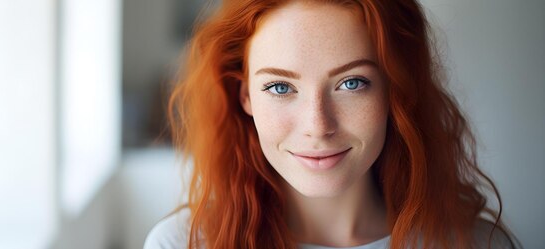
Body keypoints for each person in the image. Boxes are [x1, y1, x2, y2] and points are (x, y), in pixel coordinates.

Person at [145, 0, 520, 248]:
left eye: (351, 83)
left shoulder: (474, 243)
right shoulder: (181, 244)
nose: (317, 126)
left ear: (395, 91)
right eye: (279, 86)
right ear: (245, 97)